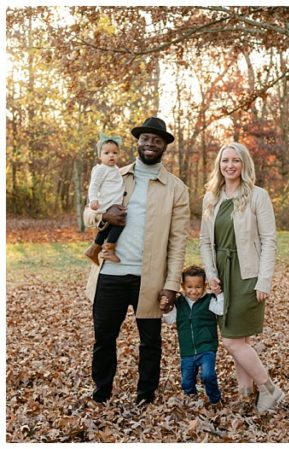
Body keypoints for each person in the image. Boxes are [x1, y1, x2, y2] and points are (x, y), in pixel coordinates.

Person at [83, 116, 189, 405]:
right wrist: (104, 216)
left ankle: (145, 397)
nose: (150, 144)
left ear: (164, 145)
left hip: (150, 278)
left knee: (151, 342)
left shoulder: (176, 189)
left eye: (157, 140)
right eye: (145, 138)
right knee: (104, 339)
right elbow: (88, 213)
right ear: (138, 142)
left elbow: (178, 241)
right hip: (110, 273)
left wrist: (171, 285)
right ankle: (101, 393)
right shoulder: (115, 174)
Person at [199, 142, 282, 412]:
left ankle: (270, 390)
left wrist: (264, 280)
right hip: (221, 275)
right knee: (240, 341)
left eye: (236, 160)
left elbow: (269, 240)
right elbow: (204, 241)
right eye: (225, 161)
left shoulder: (258, 196)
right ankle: (245, 394)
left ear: (244, 164)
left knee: (232, 341)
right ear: (219, 165)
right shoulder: (211, 197)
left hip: (247, 273)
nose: (230, 165)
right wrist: (210, 273)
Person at [161, 265, 222, 405]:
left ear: (204, 286)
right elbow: (170, 320)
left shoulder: (208, 300)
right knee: (186, 382)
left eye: (198, 287)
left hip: (206, 348)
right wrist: (165, 309)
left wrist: (219, 294)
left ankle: (215, 400)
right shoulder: (179, 302)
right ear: (183, 286)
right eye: (189, 287)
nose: (194, 291)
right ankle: (192, 399)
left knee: (208, 375)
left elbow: (221, 310)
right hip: (187, 350)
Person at [83, 134, 126, 265]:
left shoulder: (116, 170)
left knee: (106, 228)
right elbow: (94, 185)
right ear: (100, 156)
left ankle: (93, 250)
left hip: (112, 204)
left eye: (114, 153)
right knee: (120, 222)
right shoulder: (101, 169)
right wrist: (93, 199)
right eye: (106, 153)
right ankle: (108, 249)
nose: (111, 155)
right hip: (105, 204)